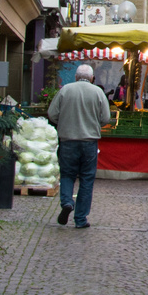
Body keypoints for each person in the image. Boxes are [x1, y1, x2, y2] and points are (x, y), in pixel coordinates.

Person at [47, 63, 114, 228]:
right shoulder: (98, 92)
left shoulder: (65, 90)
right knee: (86, 179)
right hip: (89, 141)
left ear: (76, 77)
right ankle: (81, 219)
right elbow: (106, 118)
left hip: (68, 140)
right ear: (92, 78)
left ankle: (67, 203)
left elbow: (52, 114)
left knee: (67, 175)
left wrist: (63, 122)